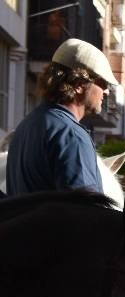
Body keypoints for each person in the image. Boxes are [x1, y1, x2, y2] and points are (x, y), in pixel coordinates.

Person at [6, 39, 117, 195]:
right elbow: (86, 213)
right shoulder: (72, 135)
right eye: (103, 83)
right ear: (79, 84)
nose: (106, 92)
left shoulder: (25, 126)